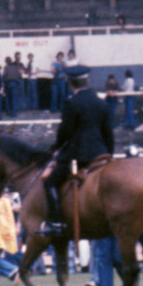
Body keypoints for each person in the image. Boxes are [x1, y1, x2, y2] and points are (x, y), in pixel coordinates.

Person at [40, 65, 114, 243]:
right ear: (87, 81)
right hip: (100, 153)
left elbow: (65, 132)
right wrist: (109, 154)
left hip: (78, 156)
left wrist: (56, 148)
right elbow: (108, 133)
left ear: (71, 83)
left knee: (50, 182)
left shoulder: (71, 103)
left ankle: (56, 222)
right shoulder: (101, 102)